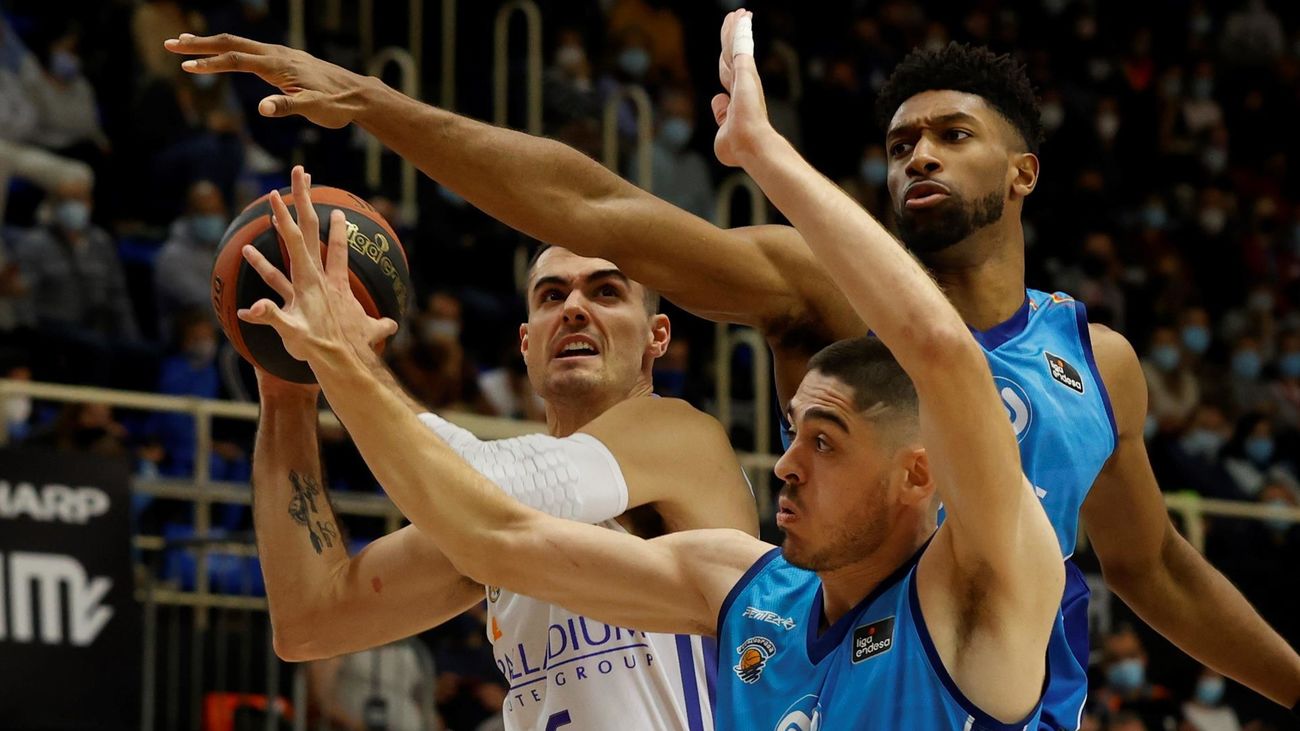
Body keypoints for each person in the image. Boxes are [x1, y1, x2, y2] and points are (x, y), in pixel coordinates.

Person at [167, 23, 1300, 729]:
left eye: (949, 136)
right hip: (821, 657)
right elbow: (593, 205)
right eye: (900, 141)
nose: (916, 156)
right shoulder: (823, 285)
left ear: (1022, 171)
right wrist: (376, 107)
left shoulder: (1093, 363)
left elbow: (1155, 567)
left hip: (986, 683)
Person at [244, 168, 756, 730]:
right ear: (526, 341)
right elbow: (312, 620)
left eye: (606, 291)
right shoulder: (496, 530)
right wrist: (286, 391)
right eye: (552, 295)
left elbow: (486, 484)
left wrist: (342, 354)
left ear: (657, 336)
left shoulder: (682, 436)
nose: (575, 308)